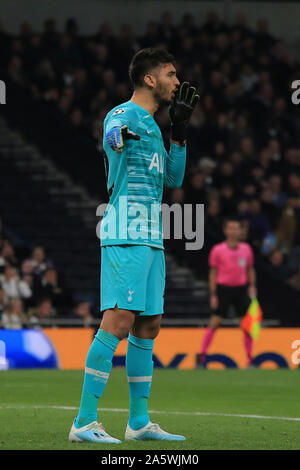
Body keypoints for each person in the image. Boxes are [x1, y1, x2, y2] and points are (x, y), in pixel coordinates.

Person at [69, 47, 199, 444]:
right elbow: (111, 138)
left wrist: (179, 132)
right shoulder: (123, 115)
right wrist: (118, 138)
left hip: (153, 237)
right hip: (126, 230)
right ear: (149, 78)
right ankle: (84, 421)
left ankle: (139, 422)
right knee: (120, 320)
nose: (177, 82)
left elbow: (173, 180)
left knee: (148, 325)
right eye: (171, 74)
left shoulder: (156, 126)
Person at [198, 217, 257, 368]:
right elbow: (213, 273)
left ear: (240, 231)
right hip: (223, 289)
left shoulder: (246, 249)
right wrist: (213, 294)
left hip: (241, 289)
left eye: (236, 228)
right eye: (230, 228)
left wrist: (252, 286)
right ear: (225, 231)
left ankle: (250, 359)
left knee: (247, 325)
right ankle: (202, 357)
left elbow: (250, 269)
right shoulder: (218, 250)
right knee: (215, 322)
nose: (233, 231)